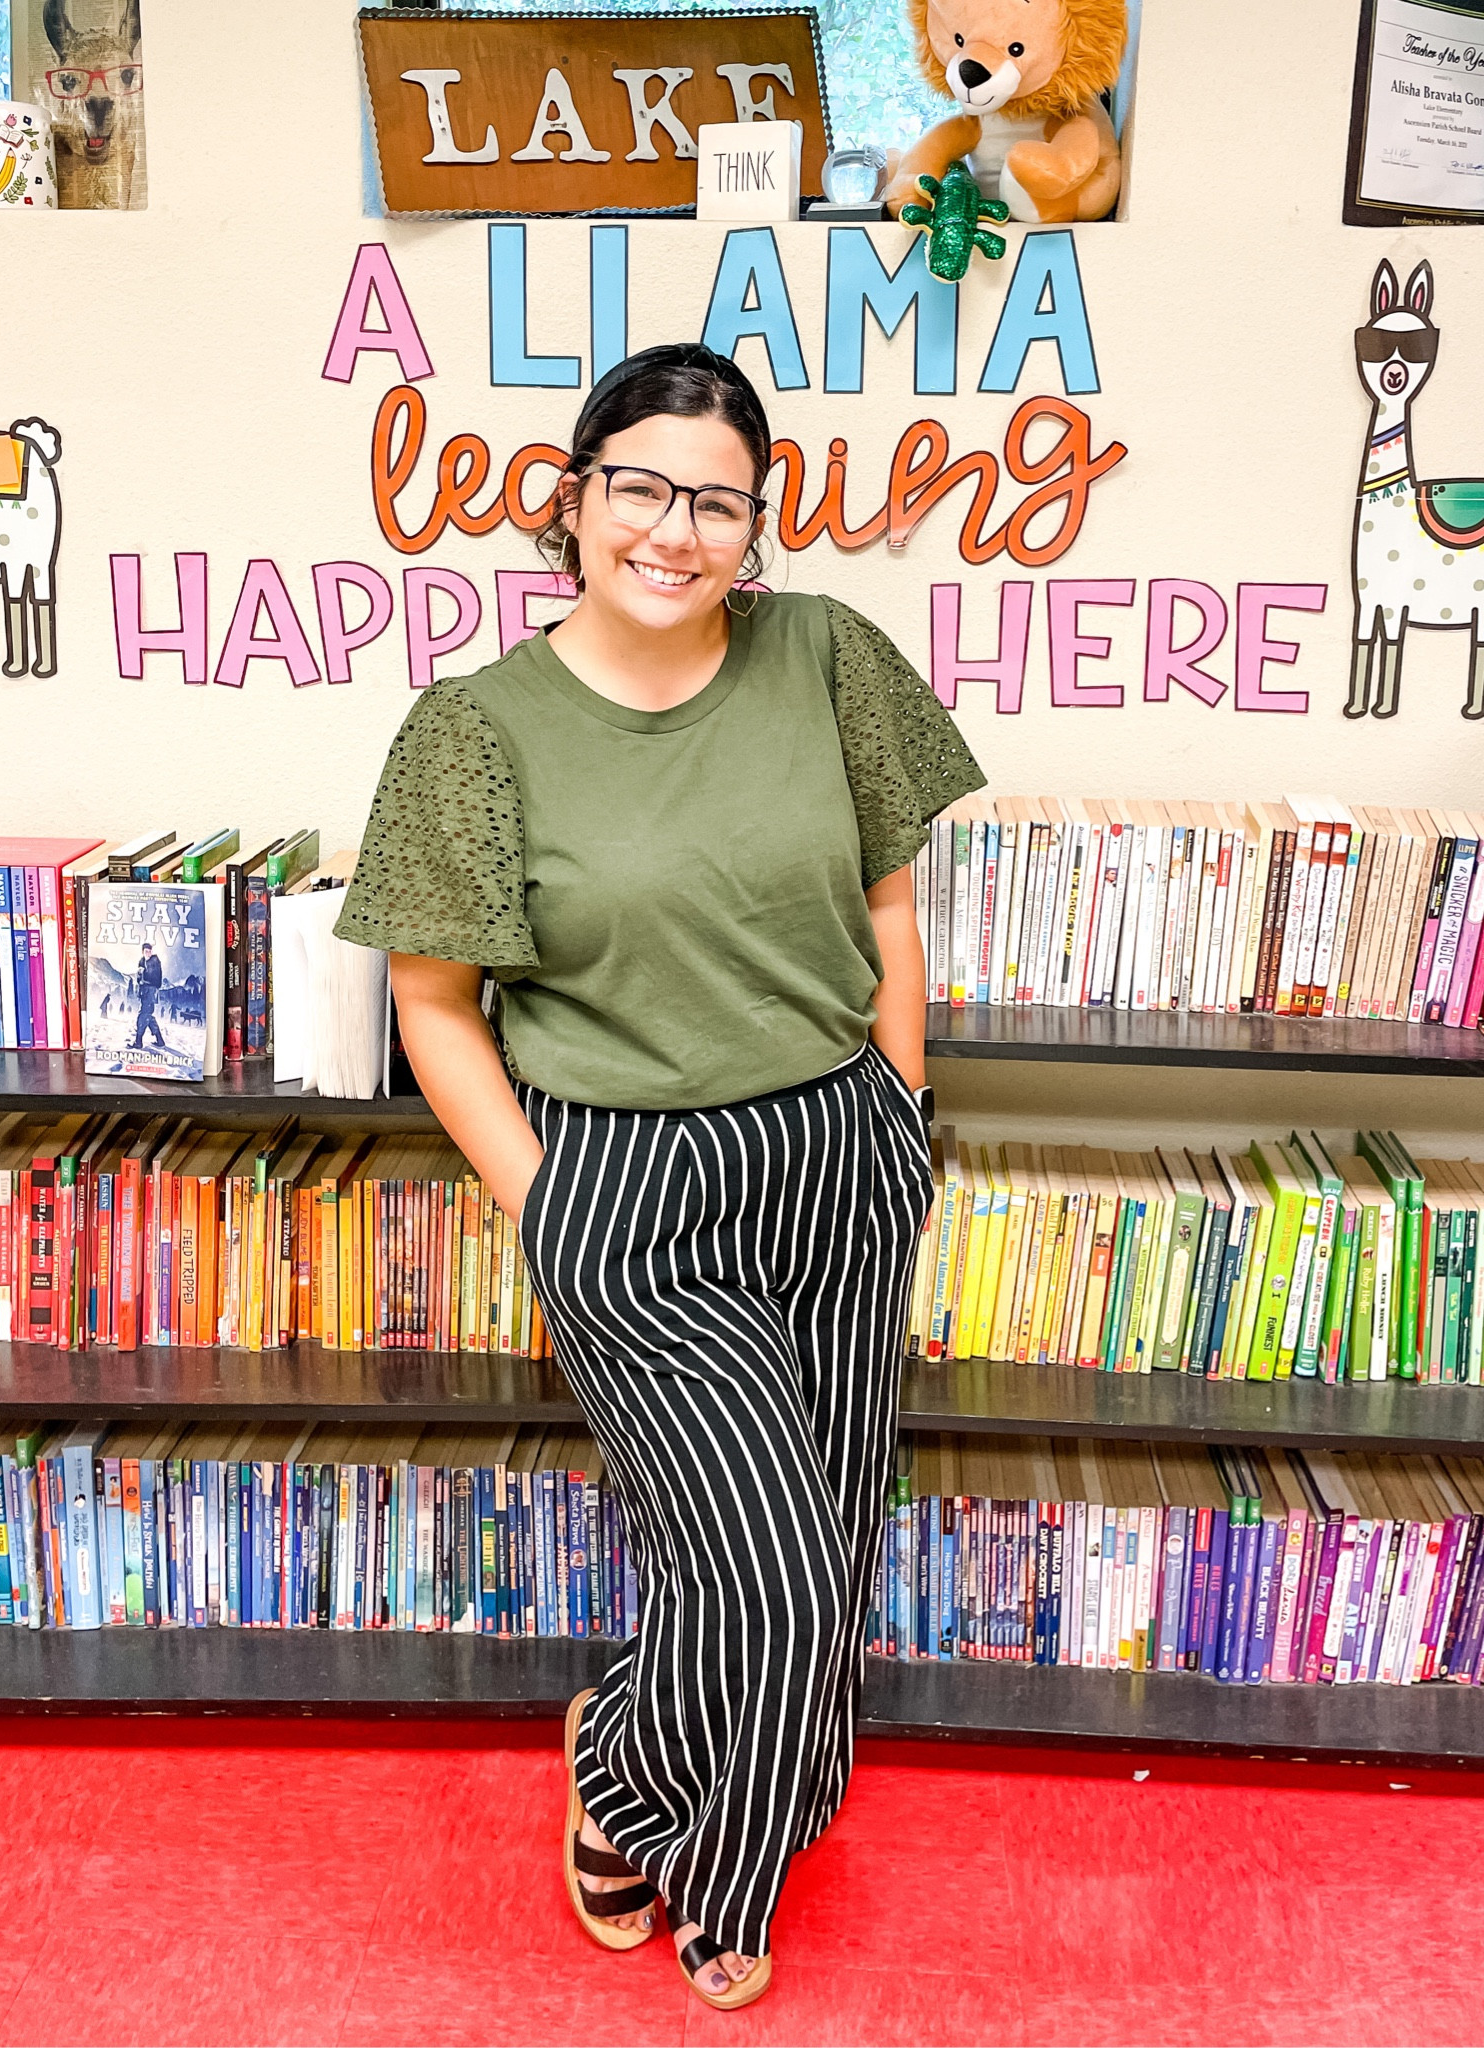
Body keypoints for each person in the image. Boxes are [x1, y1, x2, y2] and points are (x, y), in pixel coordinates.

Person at [336, 342, 985, 2011]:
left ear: (755, 523)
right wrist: (547, 1198)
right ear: (572, 500)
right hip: (622, 1176)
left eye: (718, 497)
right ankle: (633, 1786)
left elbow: (892, 909)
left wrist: (899, 1109)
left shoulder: (826, 654)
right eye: (641, 484)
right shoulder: (473, 728)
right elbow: (431, 1003)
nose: (675, 528)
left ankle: (740, 1830)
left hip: (837, 1145)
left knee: (822, 1543)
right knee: (755, 1559)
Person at [131, 942, 165, 1048]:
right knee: (148, 1015)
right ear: (142, 952)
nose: (148, 953)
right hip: (144, 992)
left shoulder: (155, 961)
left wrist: (144, 974)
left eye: (150, 951)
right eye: (146, 951)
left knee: (143, 1014)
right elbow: (139, 978)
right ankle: (160, 1040)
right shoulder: (141, 961)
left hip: (151, 991)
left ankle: (138, 1041)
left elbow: (156, 978)